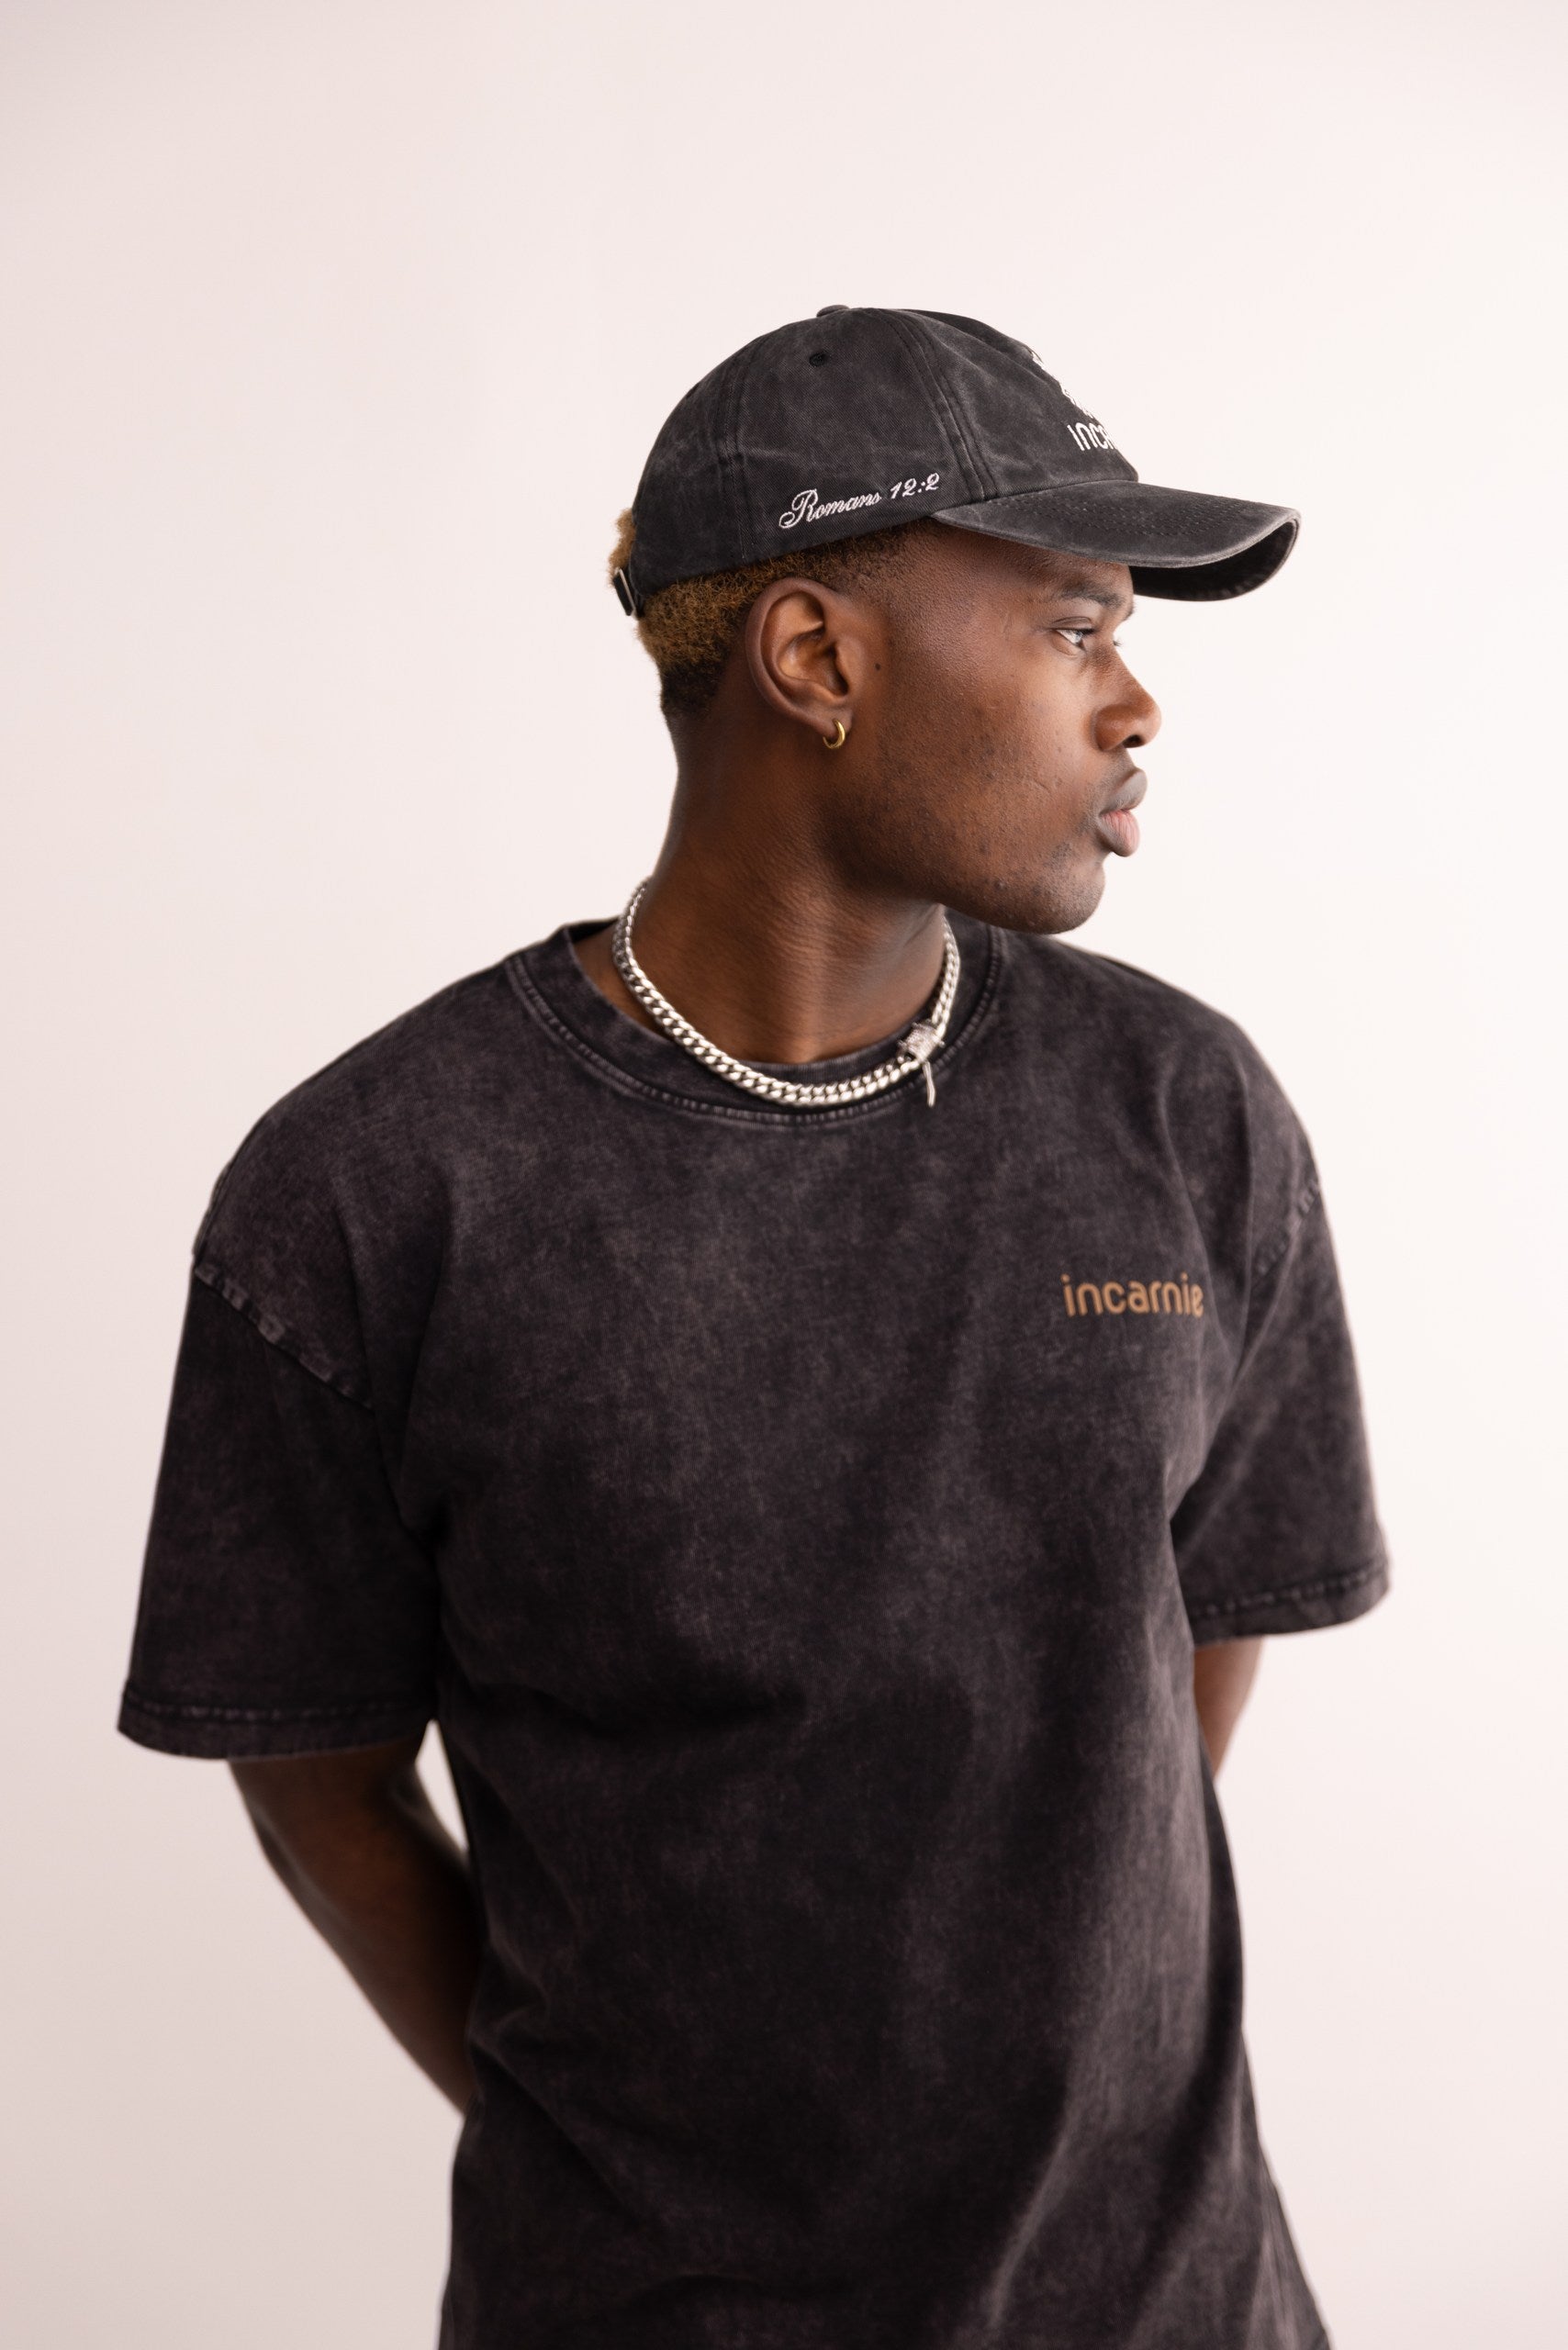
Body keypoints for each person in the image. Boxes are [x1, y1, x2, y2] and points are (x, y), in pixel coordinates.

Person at [119, 307, 1387, 2349]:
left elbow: (1182, 1640)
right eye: (1073, 624)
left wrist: (1023, 1982)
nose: (1136, 699)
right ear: (816, 657)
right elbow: (316, 1784)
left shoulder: (1183, 1111)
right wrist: (645, 2155)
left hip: (1174, 2305)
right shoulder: (374, 1189)